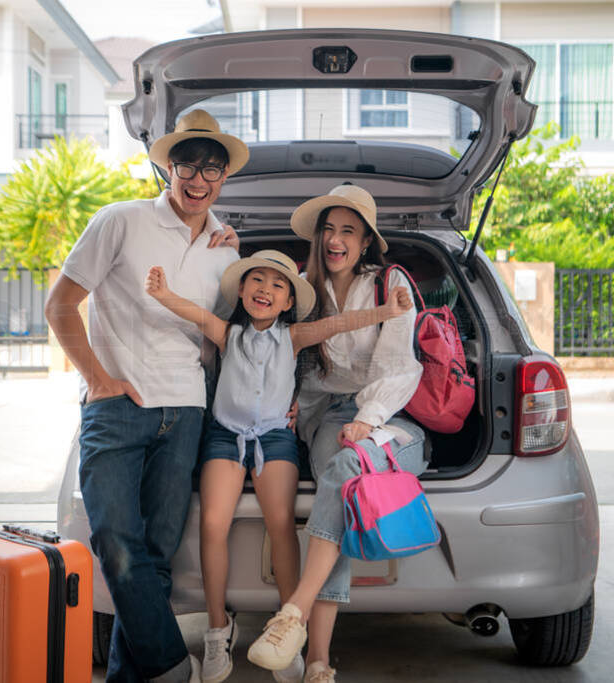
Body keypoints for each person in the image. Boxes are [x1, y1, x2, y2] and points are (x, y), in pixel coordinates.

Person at [44, 108, 248, 683]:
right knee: (115, 542)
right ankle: (168, 664)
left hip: (184, 413)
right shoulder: (120, 220)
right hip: (117, 409)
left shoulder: (226, 253)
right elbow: (59, 306)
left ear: (224, 177)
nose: (198, 178)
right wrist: (98, 381)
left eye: (212, 168)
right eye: (187, 163)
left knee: (156, 559)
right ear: (168, 167)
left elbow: (230, 339)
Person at [145, 250, 412, 683]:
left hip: (274, 438)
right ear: (242, 291)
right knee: (213, 524)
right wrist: (161, 293)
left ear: (289, 301)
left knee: (281, 524)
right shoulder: (228, 333)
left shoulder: (295, 336)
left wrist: (386, 310)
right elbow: (193, 313)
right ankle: (217, 627)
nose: (265, 289)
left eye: (277, 283)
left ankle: (288, 629)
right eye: (257, 280)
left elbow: (338, 324)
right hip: (225, 436)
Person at [245, 185, 428, 683]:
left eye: (348, 230)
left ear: (366, 241)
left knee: (346, 470)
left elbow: (399, 369)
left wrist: (367, 419)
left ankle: (294, 618)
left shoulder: (389, 285)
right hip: (326, 413)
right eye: (329, 229)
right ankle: (317, 663)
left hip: (393, 415)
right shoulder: (301, 289)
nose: (335, 239)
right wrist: (286, 403)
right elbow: (288, 355)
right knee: (341, 483)